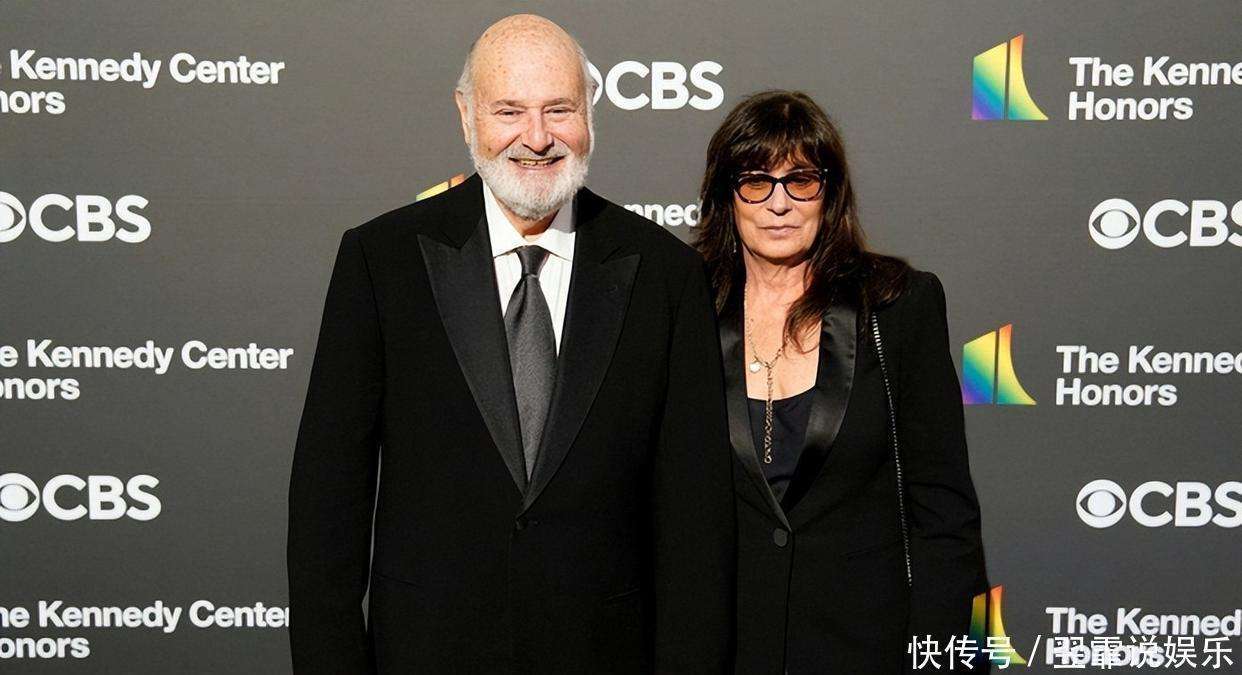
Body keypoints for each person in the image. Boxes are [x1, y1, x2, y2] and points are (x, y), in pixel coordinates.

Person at [287, 15, 735, 674]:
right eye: (509, 111)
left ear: (590, 113)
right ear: (465, 115)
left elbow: (696, 519)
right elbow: (328, 502)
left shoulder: (664, 275)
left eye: (559, 109)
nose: (537, 137)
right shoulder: (382, 262)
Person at [694, 90, 989, 673]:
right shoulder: (687, 309)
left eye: (800, 180)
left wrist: (938, 658)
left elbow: (944, 511)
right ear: (726, 195)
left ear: (829, 192)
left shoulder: (896, 307)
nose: (779, 203)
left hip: (866, 646)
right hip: (726, 646)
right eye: (756, 182)